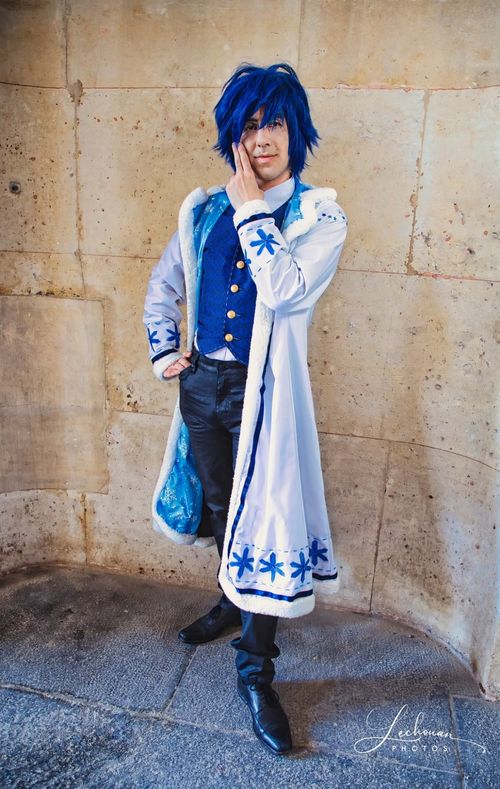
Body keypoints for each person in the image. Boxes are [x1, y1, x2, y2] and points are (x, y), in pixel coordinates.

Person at [143, 62, 348, 755]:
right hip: (203, 388)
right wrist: (166, 350)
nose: (262, 137)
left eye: (275, 123)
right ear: (233, 135)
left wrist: (252, 207)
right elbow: (165, 282)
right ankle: (232, 600)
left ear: (297, 131)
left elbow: (285, 289)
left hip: (268, 396)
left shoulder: (319, 215)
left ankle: (256, 671)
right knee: (223, 505)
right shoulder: (202, 211)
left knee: (267, 517)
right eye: (250, 125)